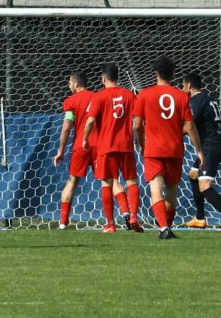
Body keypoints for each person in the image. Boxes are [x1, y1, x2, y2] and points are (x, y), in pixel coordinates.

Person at [134, 57, 203, 239]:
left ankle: (163, 228)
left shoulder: (144, 95)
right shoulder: (181, 96)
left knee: (156, 188)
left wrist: (141, 144)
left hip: (154, 149)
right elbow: (189, 126)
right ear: (173, 75)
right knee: (172, 191)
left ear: (155, 73)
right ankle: (168, 228)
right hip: (174, 149)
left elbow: (137, 125)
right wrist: (199, 151)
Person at [83, 63, 143, 233]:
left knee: (107, 183)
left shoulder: (99, 96)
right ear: (118, 78)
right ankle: (133, 217)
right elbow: (139, 120)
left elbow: (90, 121)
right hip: (125, 145)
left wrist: (85, 138)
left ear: (103, 78)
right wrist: (140, 141)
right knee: (131, 181)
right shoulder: (129, 95)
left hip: (106, 146)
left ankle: (110, 224)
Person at [52, 72, 98, 230]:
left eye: (70, 83)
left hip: (81, 146)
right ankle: (124, 218)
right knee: (110, 181)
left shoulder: (71, 101)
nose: (68, 85)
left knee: (71, 183)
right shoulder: (97, 98)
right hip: (99, 146)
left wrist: (60, 150)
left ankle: (63, 223)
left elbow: (66, 127)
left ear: (76, 84)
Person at [182, 73, 221, 228]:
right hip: (213, 143)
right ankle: (199, 218)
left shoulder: (196, 100)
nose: (182, 88)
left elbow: (189, 125)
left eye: (183, 85)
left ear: (189, 85)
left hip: (211, 145)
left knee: (205, 186)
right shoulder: (209, 99)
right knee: (193, 175)